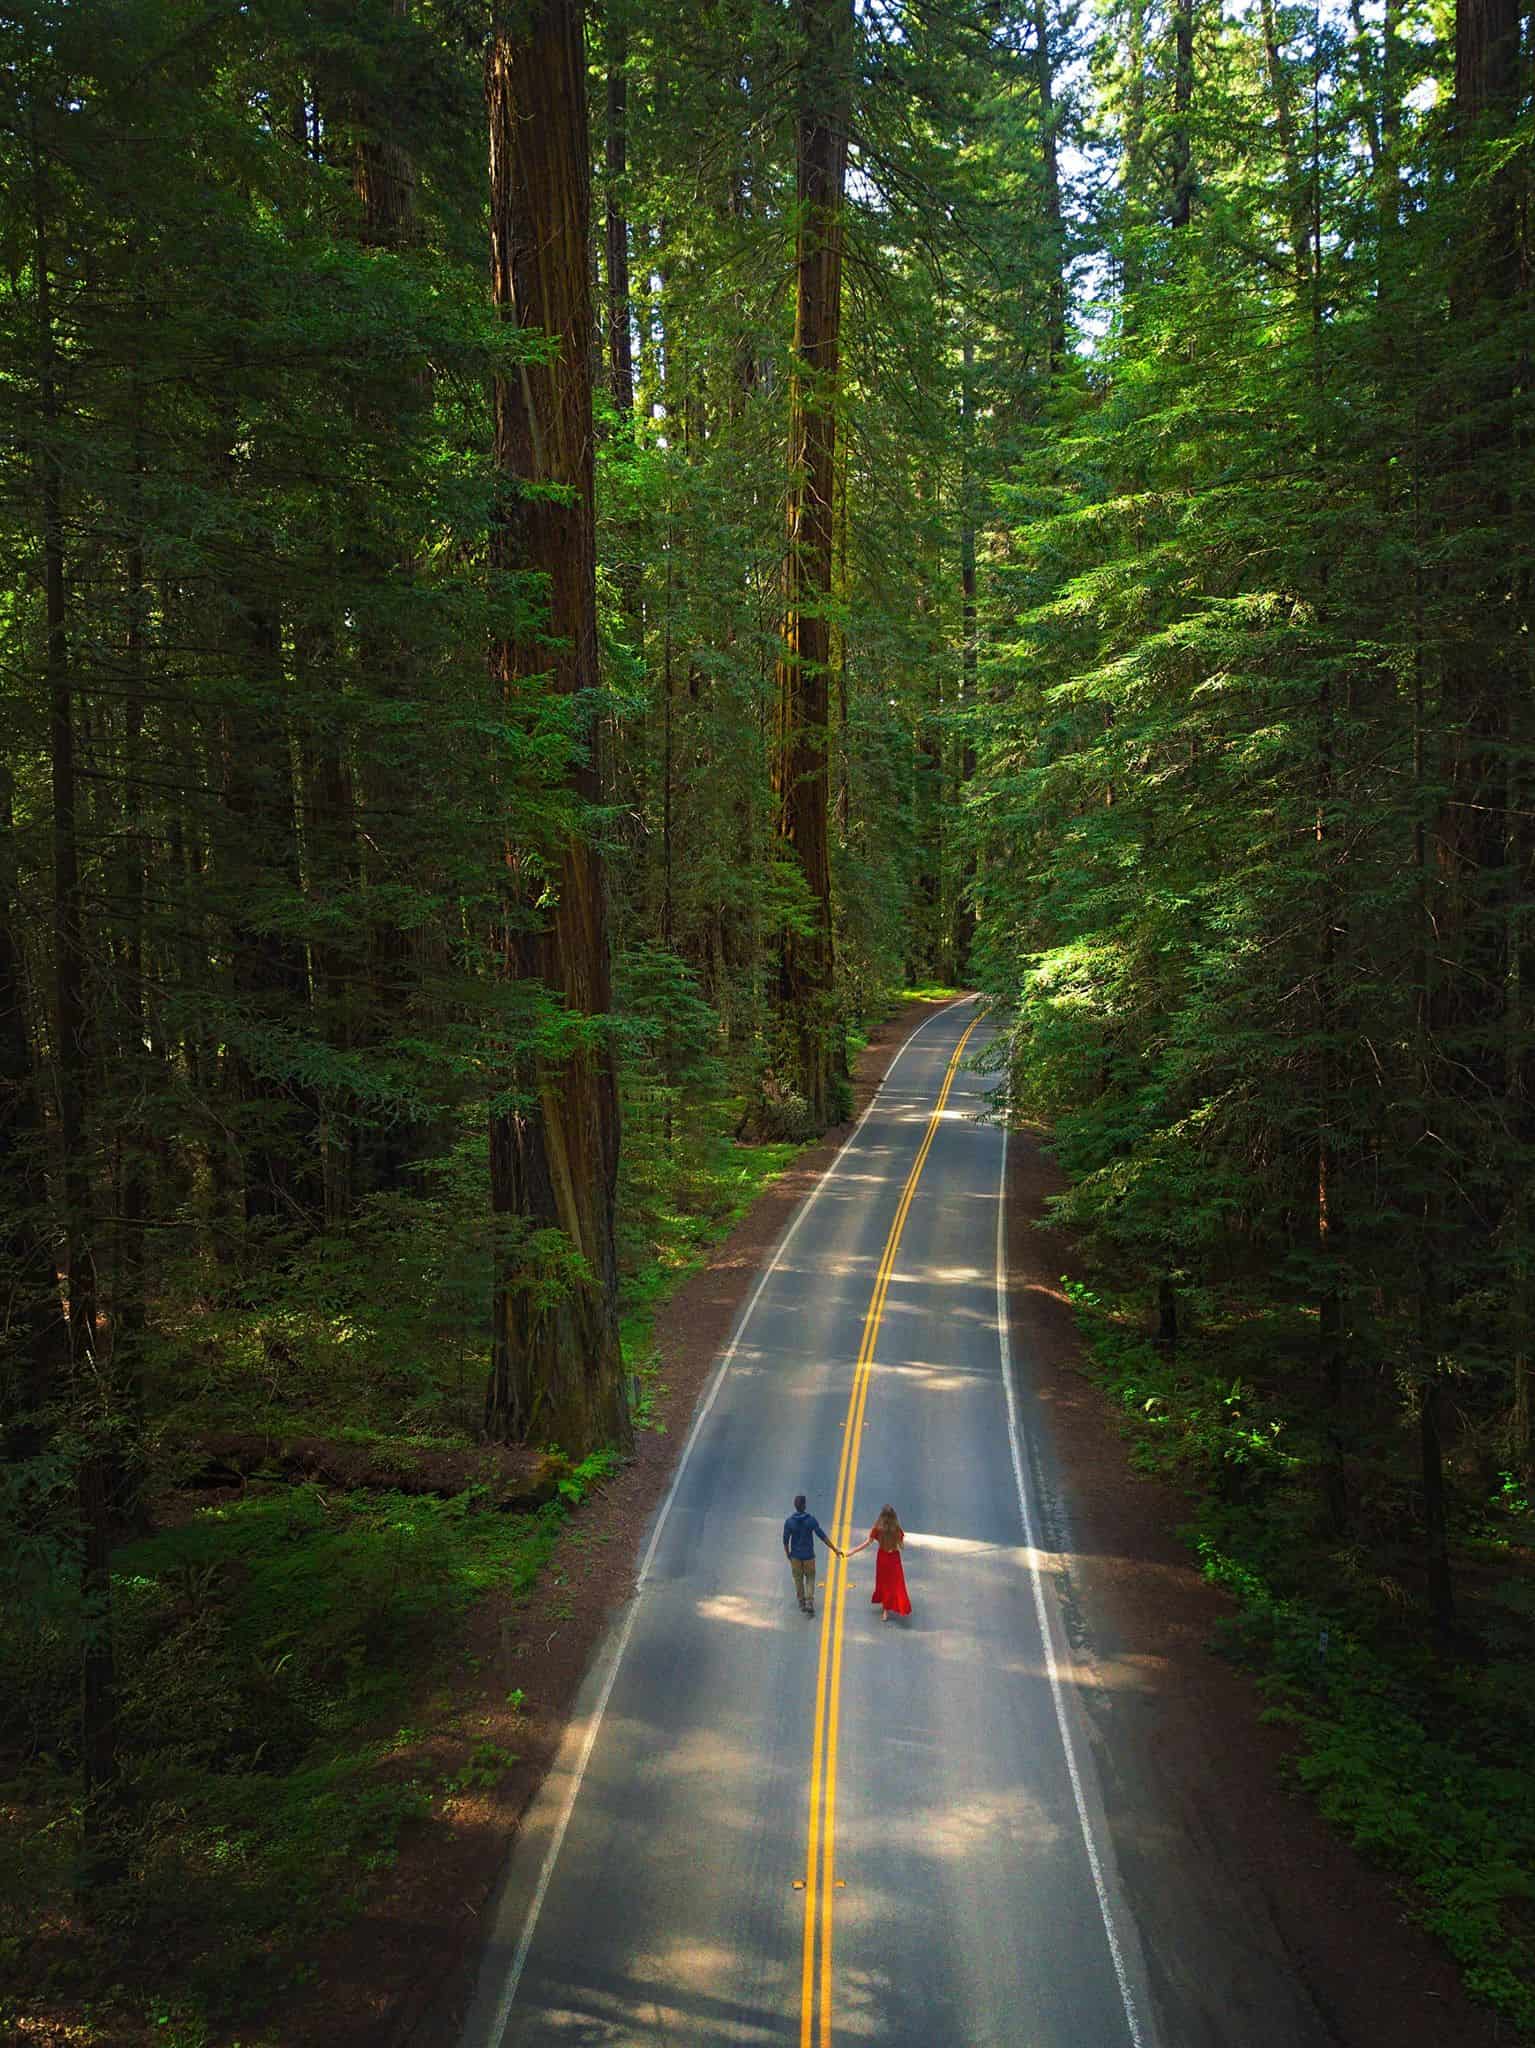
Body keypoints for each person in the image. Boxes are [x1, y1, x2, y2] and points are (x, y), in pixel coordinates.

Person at [847, 1503, 912, 1621]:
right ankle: (895, 1606)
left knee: (884, 1583)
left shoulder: (878, 1528)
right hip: (894, 1559)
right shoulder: (897, 1530)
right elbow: (901, 1545)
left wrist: (852, 1551)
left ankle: (885, 1609)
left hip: (882, 1558)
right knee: (897, 1584)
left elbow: (867, 1542)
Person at [783, 1493, 841, 1616]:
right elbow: (822, 1536)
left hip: (795, 1557)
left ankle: (801, 1601)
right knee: (810, 1577)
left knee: (798, 1578)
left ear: (795, 1506)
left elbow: (785, 1540)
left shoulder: (789, 1522)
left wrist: (788, 1554)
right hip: (809, 1556)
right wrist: (834, 1549)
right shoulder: (811, 1520)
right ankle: (809, 1600)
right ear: (804, 1506)